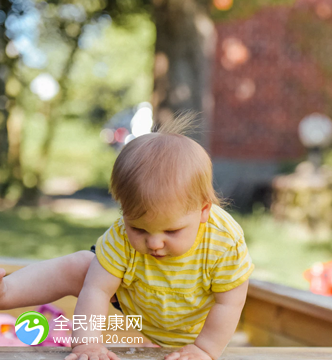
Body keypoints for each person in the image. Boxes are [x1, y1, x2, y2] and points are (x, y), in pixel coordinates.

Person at [0, 115, 254, 360]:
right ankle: (7, 290)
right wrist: (87, 342)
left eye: (171, 231)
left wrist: (205, 350)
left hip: (198, 324)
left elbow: (229, 303)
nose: (154, 243)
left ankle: (177, 343)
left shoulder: (223, 241)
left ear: (203, 211)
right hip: (140, 298)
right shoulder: (121, 234)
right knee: (81, 266)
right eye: (139, 229)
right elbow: (97, 289)